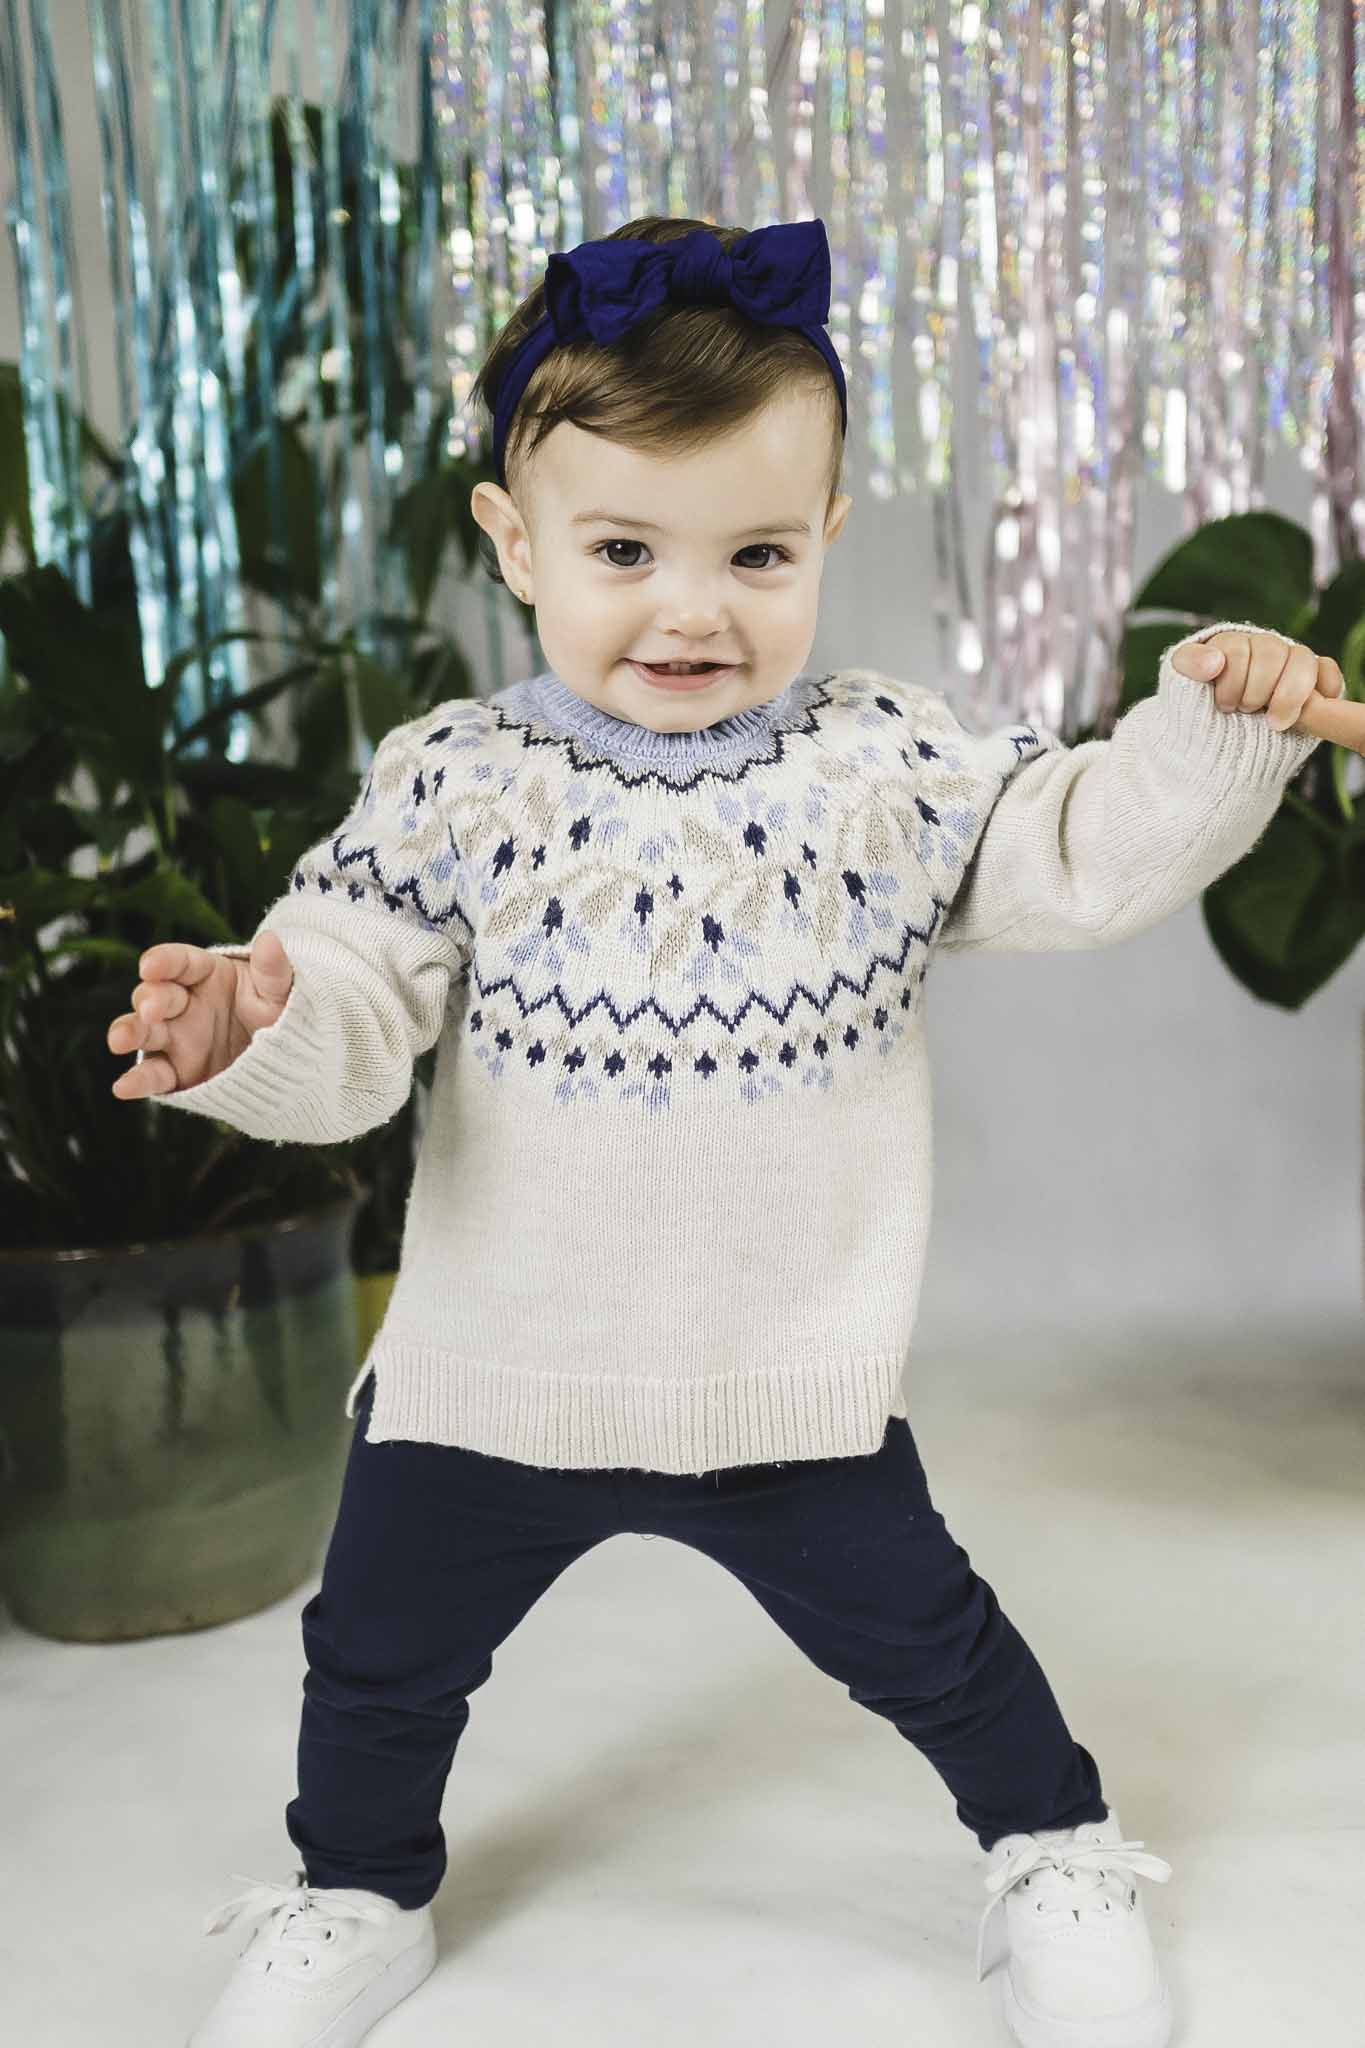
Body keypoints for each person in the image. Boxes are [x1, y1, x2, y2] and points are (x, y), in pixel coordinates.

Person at [108, 215, 1335, 2048]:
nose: (693, 611)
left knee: (932, 1645)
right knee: (371, 1664)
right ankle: (356, 1893)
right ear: (514, 541)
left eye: (755, 554)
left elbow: (1076, 847)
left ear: (825, 532)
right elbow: (351, 1007)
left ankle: (1050, 1851)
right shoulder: (456, 782)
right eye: (624, 551)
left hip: (779, 1382)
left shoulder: (882, 766)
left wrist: (1212, 733)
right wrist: (251, 1022)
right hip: (491, 1380)